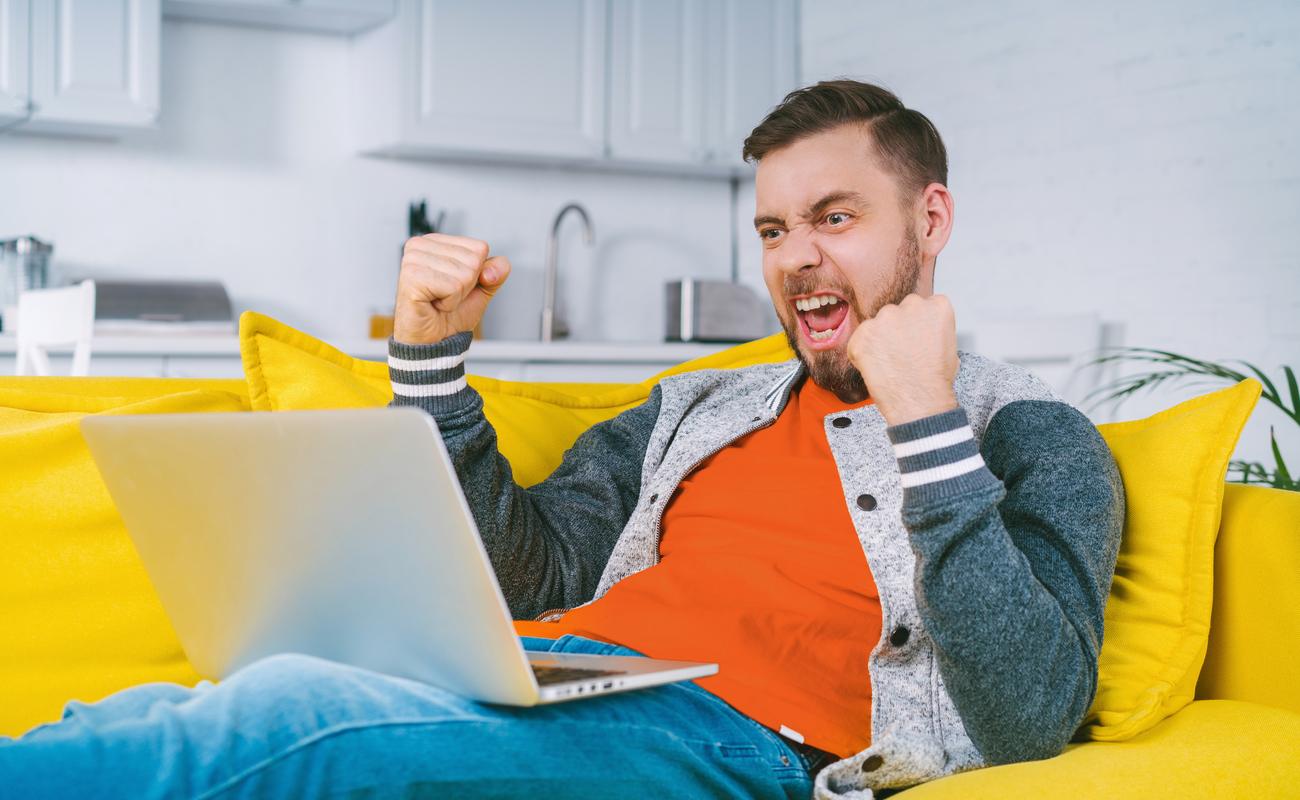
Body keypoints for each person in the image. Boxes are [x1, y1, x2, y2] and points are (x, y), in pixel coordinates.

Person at [0, 80, 1124, 800]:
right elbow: (526, 572)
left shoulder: (1031, 434)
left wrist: (923, 422)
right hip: (559, 678)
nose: (793, 259)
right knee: (167, 710)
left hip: (731, 739)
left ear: (928, 221)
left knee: (280, 723)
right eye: (774, 229)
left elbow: (1027, 712)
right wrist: (433, 367)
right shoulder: (700, 406)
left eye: (835, 217)